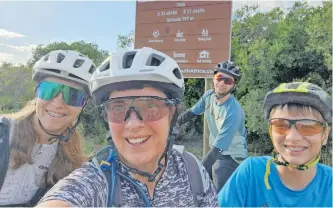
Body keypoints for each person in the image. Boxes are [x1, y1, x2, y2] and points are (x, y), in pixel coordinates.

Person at [37, 47, 218, 207]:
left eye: (150, 106)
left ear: (172, 113)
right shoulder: (96, 182)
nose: (132, 124)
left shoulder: (192, 169)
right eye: (118, 107)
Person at [0, 50, 96, 206]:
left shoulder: (72, 160)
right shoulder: (4, 133)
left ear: (83, 105)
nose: (58, 103)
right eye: (49, 90)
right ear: (37, 92)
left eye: (73, 95)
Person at [218, 82, 332, 207]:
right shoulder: (251, 173)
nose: (292, 137)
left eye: (308, 126)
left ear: (325, 134)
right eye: (281, 125)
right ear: (271, 131)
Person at [177, 61, 247, 192]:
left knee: (218, 194)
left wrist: (197, 170)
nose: (221, 83)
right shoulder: (208, 96)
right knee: (202, 188)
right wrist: (175, 124)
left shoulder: (233, 112)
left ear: (234, 86)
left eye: (228, 81)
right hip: (218, 151)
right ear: (214, 78)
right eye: (219, 78)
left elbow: (217, 151)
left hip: (230, 156)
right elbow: (192, 112)